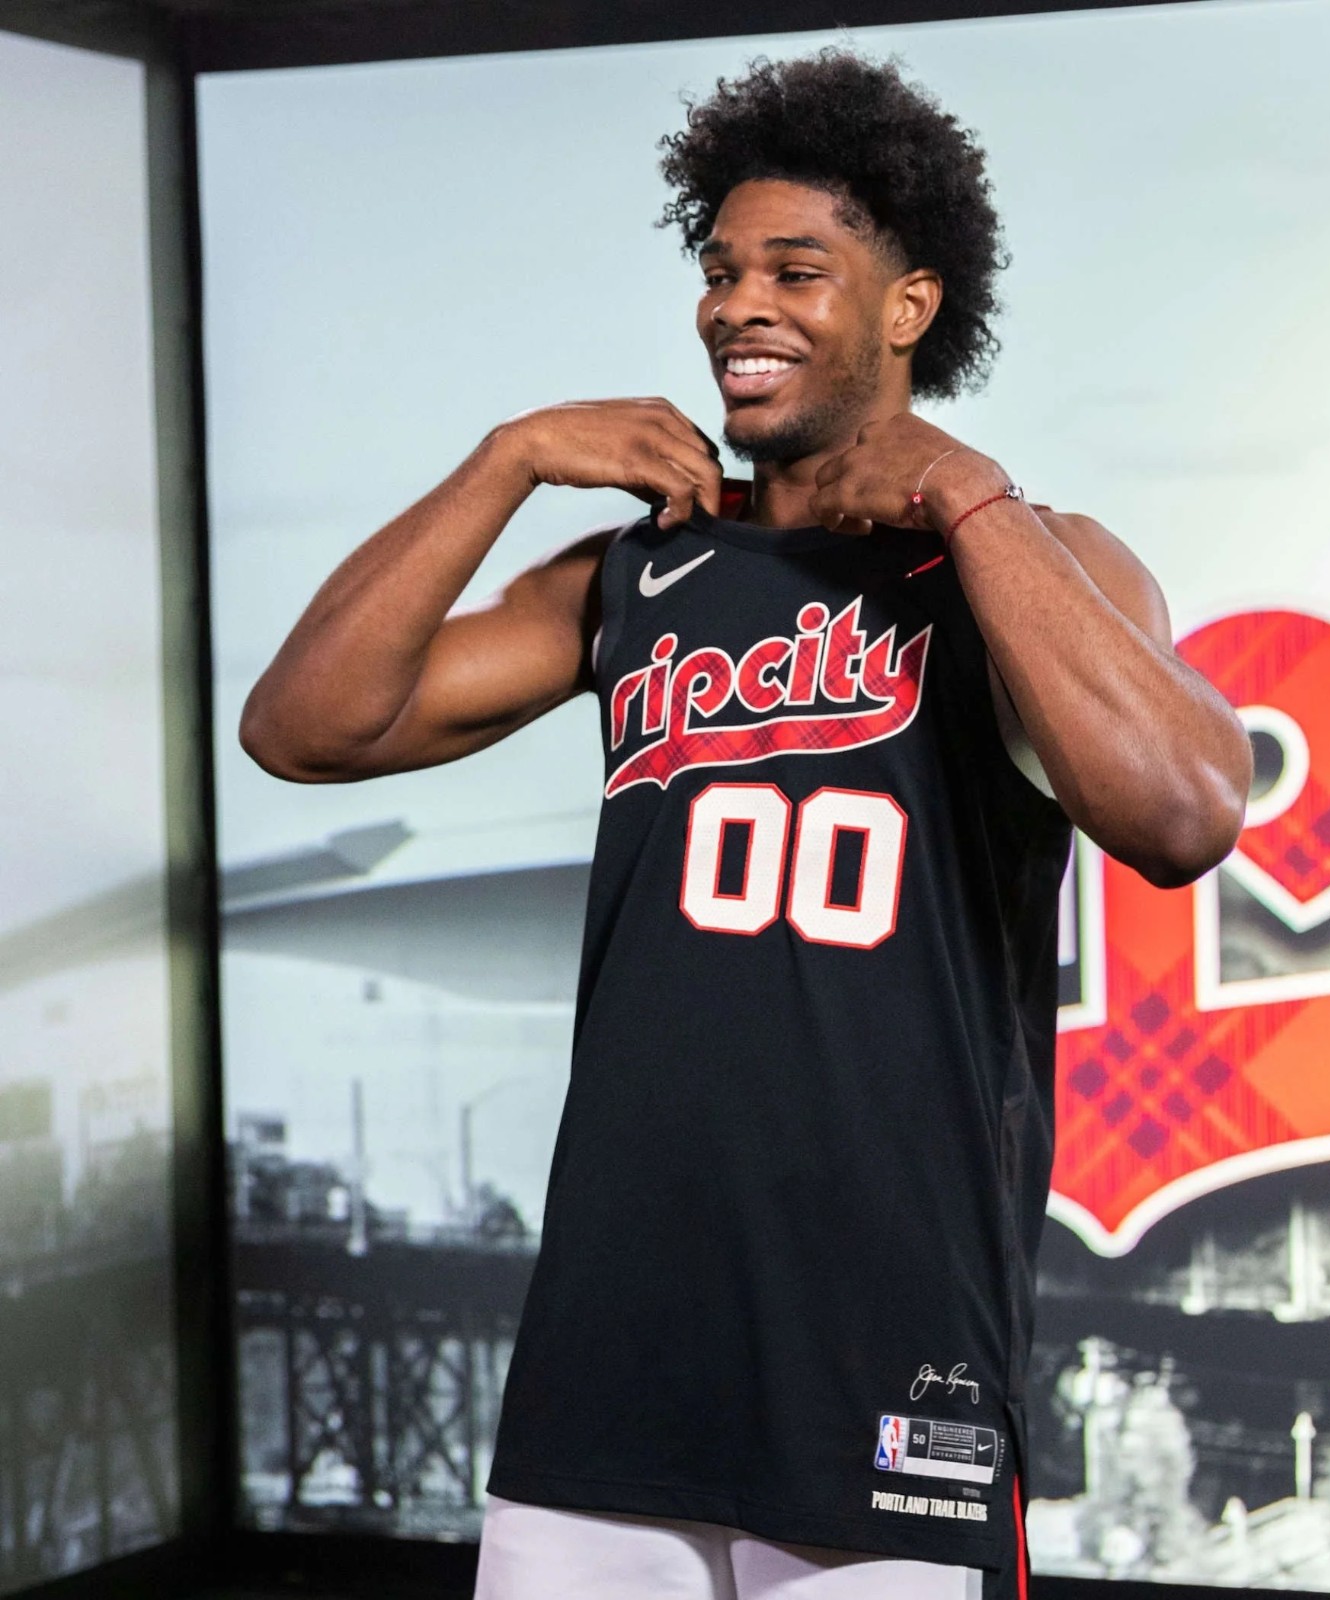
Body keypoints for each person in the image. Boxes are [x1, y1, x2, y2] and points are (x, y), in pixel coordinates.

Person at [240, 48, 1252, 1600]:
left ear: (910, 307)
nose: (737, 307)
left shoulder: (1030, 556)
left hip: (888, 1361)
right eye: (720, 271)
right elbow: (303, 725)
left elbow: (1183, 812)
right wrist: (508, 459)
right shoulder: (637, 572)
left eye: (795, 269)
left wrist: (974, 504)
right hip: (608, 1363)